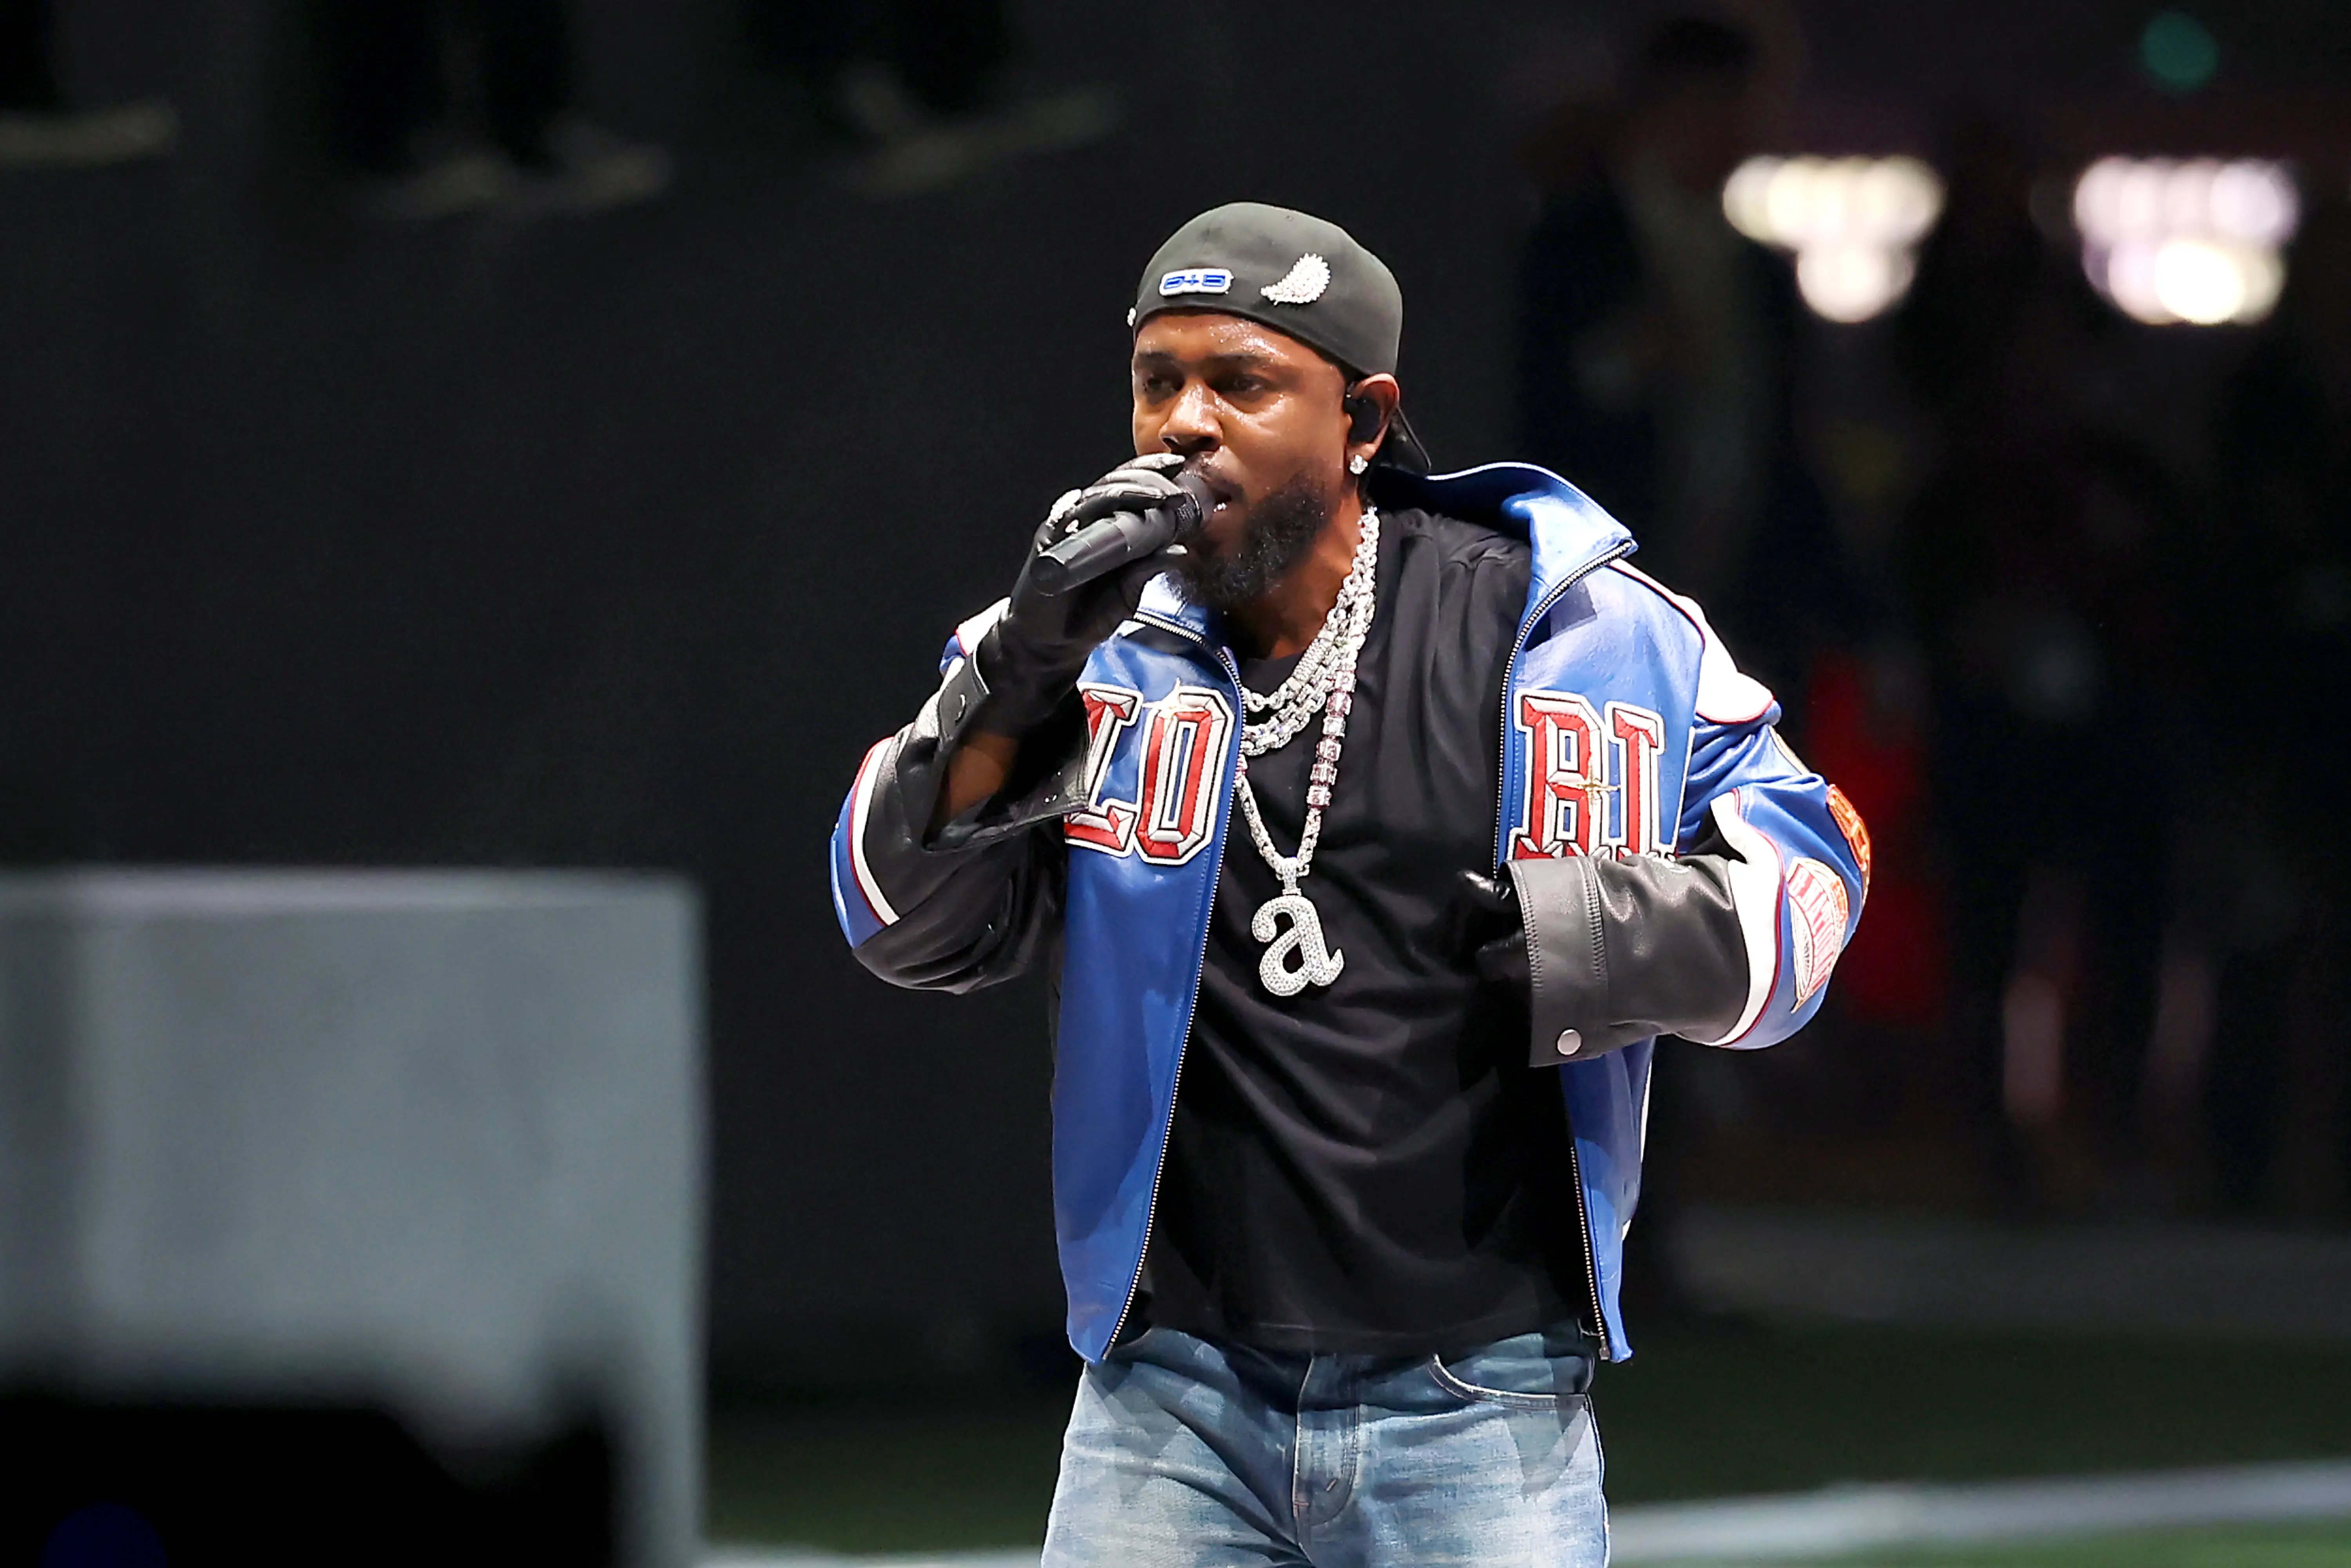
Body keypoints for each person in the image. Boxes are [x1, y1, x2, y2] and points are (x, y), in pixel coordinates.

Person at [828, 202, 1868, 1564]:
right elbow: (893, 919)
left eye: (1242, 383)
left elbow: (1817, 868)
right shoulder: (1083, 650)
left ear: (1364, 422)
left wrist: (1610, 938)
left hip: (1478, 1398)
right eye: (1159, 382)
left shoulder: (1573, 629)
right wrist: (1019, 671)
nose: (1184, 425)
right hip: (1169, 1399)